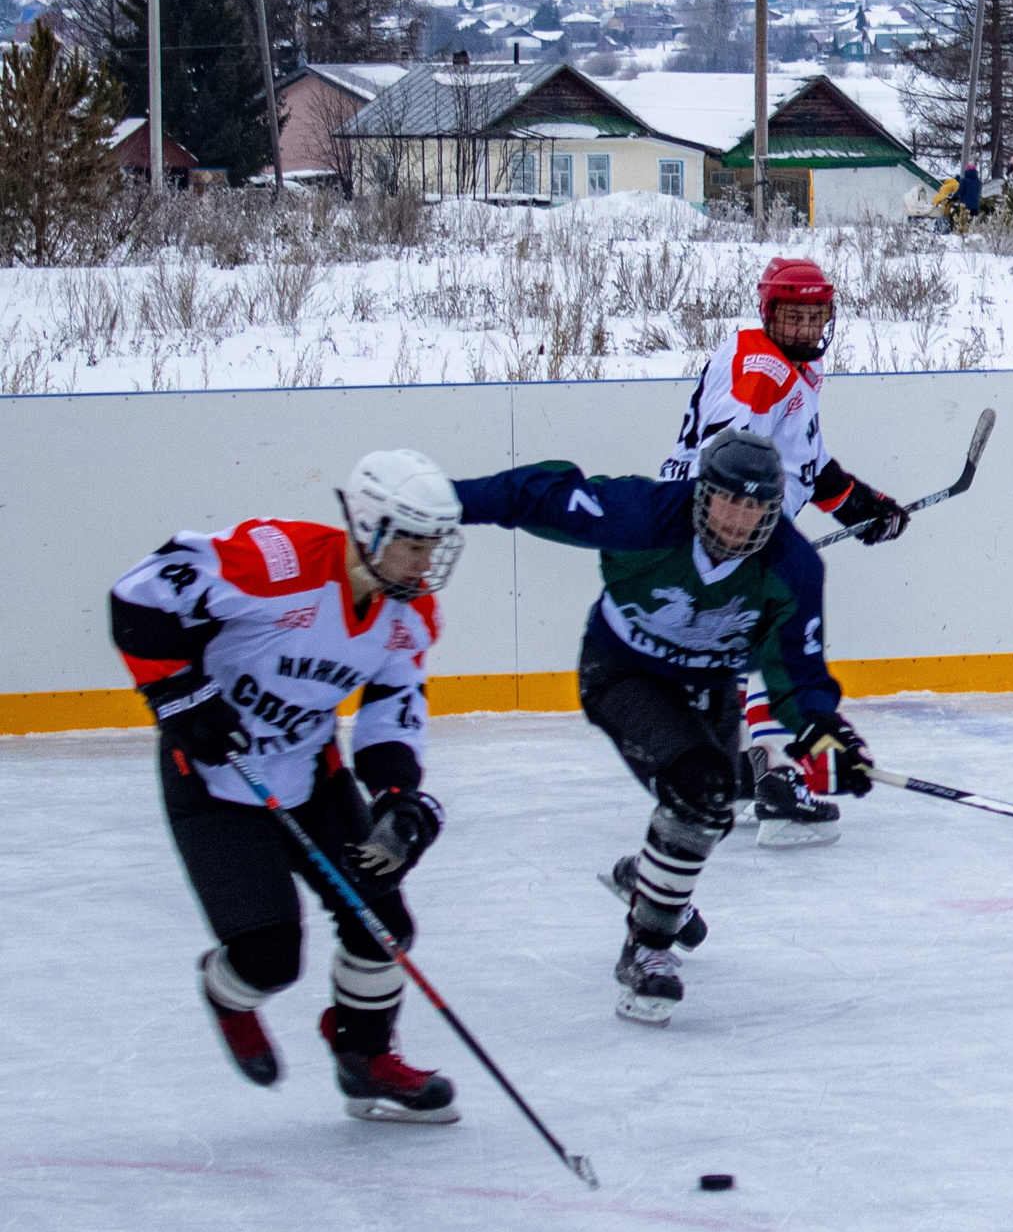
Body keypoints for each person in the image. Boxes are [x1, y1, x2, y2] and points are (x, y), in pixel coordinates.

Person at [456, 428, 874, 1026]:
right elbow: (538, 497)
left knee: (714, 809)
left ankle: (645, 881)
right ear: (702, 493)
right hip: (624, 673)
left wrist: (824, 733)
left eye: (756, 506)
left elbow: (797, 673)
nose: (739, 519)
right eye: (729, 500)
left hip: (710, 687)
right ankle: (647, 949)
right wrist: (445, 500)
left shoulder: (794, 566)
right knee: (700, 789)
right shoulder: (645, 514)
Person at [110, 451, 466, 1119]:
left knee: (383, 926)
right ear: (371, 528)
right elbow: (138, 594)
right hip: (212, 778)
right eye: (415, 545)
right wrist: (179, 697)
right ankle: (225, 992)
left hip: (312, 774)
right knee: (269, 958)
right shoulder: (275, 562)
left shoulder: (409, 614)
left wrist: (397, 799)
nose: (426, 565)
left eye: (434, 546)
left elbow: (393, 708)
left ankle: (364, 1058)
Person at [661, 255, 908, 848]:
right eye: (791, 315)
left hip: (730, 525)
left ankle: (740, 775)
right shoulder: (760, 368)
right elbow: (729, 456)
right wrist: (737, 541)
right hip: (724, 523)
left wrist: (862, 506)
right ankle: (778, 776)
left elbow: (808, 467)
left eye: (813, 316)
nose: (803, 327)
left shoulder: (791, 370)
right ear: (768, 313)